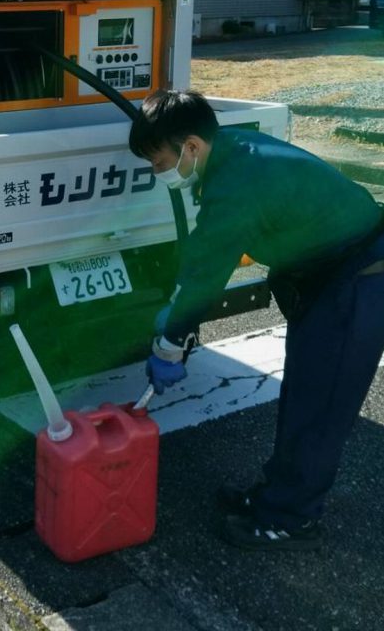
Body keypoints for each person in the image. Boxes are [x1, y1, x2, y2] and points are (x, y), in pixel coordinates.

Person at [129, 88, 384, 552]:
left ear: (190, 146)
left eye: (158, 159)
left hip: (359, 280)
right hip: (329, 278)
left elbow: (205, 270)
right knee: (303, 393)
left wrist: (170, 342)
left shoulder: (236, 182)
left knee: (320, 407)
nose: (157, 171)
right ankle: (276, 495)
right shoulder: (233, 156)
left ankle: (291, 519)